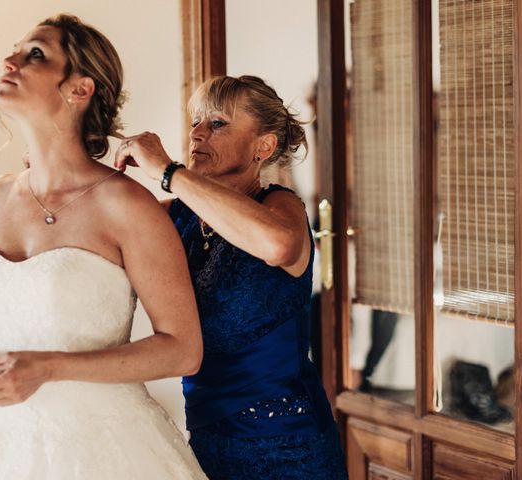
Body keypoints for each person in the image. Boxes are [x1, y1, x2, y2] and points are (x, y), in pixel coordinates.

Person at [0, 14, 207, 479]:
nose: (10, 60)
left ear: (80, 89)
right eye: (17, 50)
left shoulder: (127, 205)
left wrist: (46, 368)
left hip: (103, 450)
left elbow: (182, 349)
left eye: (36, 54)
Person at [115, 75, 348, 479]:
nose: (198, 134)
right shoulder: (178, 217)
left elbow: (278, 246)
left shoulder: (279, 206)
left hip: (290, 449)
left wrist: (169, 171)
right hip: (208, 442)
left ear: (264, 146)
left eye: (217, 123)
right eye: (195, 122)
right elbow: (109, 225)